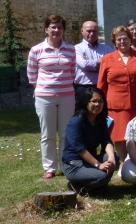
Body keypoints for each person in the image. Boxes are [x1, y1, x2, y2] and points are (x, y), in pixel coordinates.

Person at [28, 14, 77, 179]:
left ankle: (65, 165)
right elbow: (32, 75)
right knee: (47, 134)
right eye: (53, 27)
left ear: (63, 30)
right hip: (45, 98)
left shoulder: (71, 49)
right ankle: (50, 168)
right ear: (46, 29)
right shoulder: (36, 50)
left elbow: (72, 71)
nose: (56, 30)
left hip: (67, 97)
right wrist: (46, 88)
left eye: (59, 27)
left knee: (65, 133)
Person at [99, 26, 136, 164]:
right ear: (114, 41)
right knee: (119, 135)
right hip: (116, 105)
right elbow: (101, 84)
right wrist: (101, 104)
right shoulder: (107, 59)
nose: (122, 41)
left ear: (131, 40)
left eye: (125, 38)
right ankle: (124, 162)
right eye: (119, 39)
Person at [62, 87, 117, 194]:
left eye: (100, 101)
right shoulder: (75, 122)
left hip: (90, 160)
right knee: (102, 176)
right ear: (85, 103)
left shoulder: (101, 120)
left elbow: (107, 141)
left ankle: (94, 186)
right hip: (74, 164)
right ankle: (76, 185)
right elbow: (80, 149)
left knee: (115, 158)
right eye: (94, 101)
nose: (97, 104)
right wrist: (99, 165)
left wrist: (111, 157)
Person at [73, 21, 113, 97]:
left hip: (102, 86)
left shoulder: (107, 49)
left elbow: (113, 65)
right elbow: (84, 64)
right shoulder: (76, 48)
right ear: (82, 31)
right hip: (83, 88)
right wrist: (104, 63)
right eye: (89, 31)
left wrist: (89, 62)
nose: (92, 34)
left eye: (94, 31)